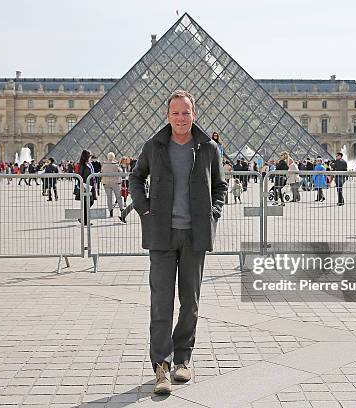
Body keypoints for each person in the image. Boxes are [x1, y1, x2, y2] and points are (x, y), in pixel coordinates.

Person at [129, 90, 227, 395]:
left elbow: (220, 186)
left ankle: (183, 359)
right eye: (175, 113)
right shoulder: (154, 146)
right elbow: (135, 177)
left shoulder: (209, 148)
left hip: (195, 234)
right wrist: (145, 210)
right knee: (161, 303)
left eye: (186, 113)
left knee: (190, 302)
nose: (181, 119)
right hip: (161, 234)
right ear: (167, 115)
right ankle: (162, 366)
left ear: (194, 114)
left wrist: (213, 213)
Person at [101, 152, 124, 217]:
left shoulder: (104, 164)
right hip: (115, 183)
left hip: (106, 183)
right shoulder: (115, 164)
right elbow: (121, 171)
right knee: (118, 197)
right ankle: (122, 210)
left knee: (109, 197)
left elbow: (102, 171)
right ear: (113, 157)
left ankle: (111, 212)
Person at [77, 150, 97, 225]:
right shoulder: (82, 165)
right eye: (90, 156)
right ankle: (84, 220)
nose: (91, 157)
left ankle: (82, 218)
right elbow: (79, 175)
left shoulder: (89, 164)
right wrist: (82, 185)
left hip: (91, 185)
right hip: (86, 186)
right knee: (87, 202)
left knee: (90, 202)